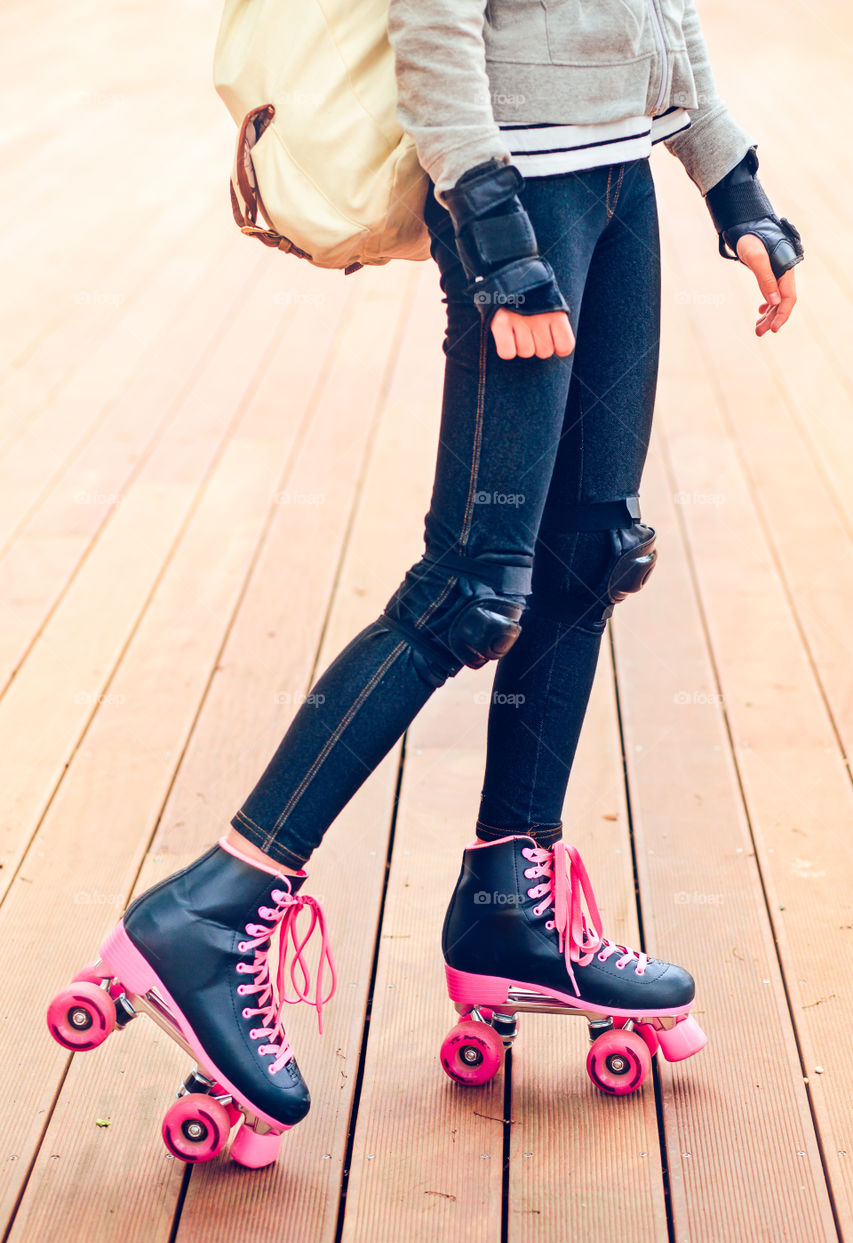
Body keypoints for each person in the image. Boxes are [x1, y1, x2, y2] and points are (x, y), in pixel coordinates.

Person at [55, 0, 802, 1149]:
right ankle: (210, 909)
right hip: (518, 193)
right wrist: (494, 225)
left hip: (617, 184)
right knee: (470, 587)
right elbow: (436, 24)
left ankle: (512, 896)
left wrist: (730, 174)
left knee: (588, 555)